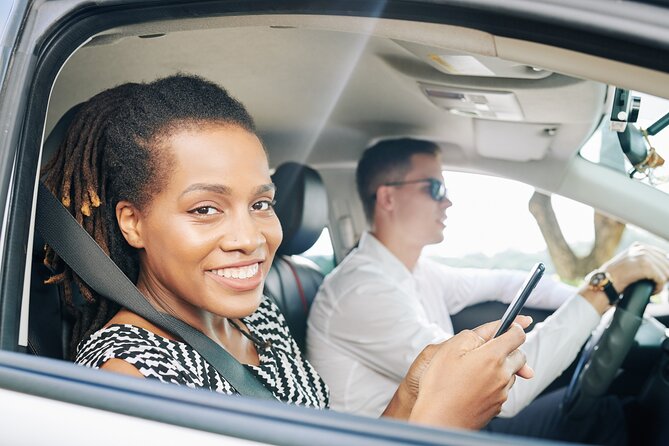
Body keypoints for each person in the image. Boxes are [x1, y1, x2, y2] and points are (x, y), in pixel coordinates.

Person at [42, 75, 533, 429]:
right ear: (134, 223)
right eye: (206, 209)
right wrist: (441, 422)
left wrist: (414, 391)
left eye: (260, 203)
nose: (251, 238)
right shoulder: (127, 380)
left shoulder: (257, 320)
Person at [306, 138, 669, 443]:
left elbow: (508, 283)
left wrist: (605, 301)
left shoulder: (414, 272)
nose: (447, 202)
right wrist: (600, 290)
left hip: (446, 430)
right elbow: (489, 390)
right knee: (606, 418)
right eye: (435, 188)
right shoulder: (362, 292)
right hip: (417, 438)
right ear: (387, 198)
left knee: (604, 412)